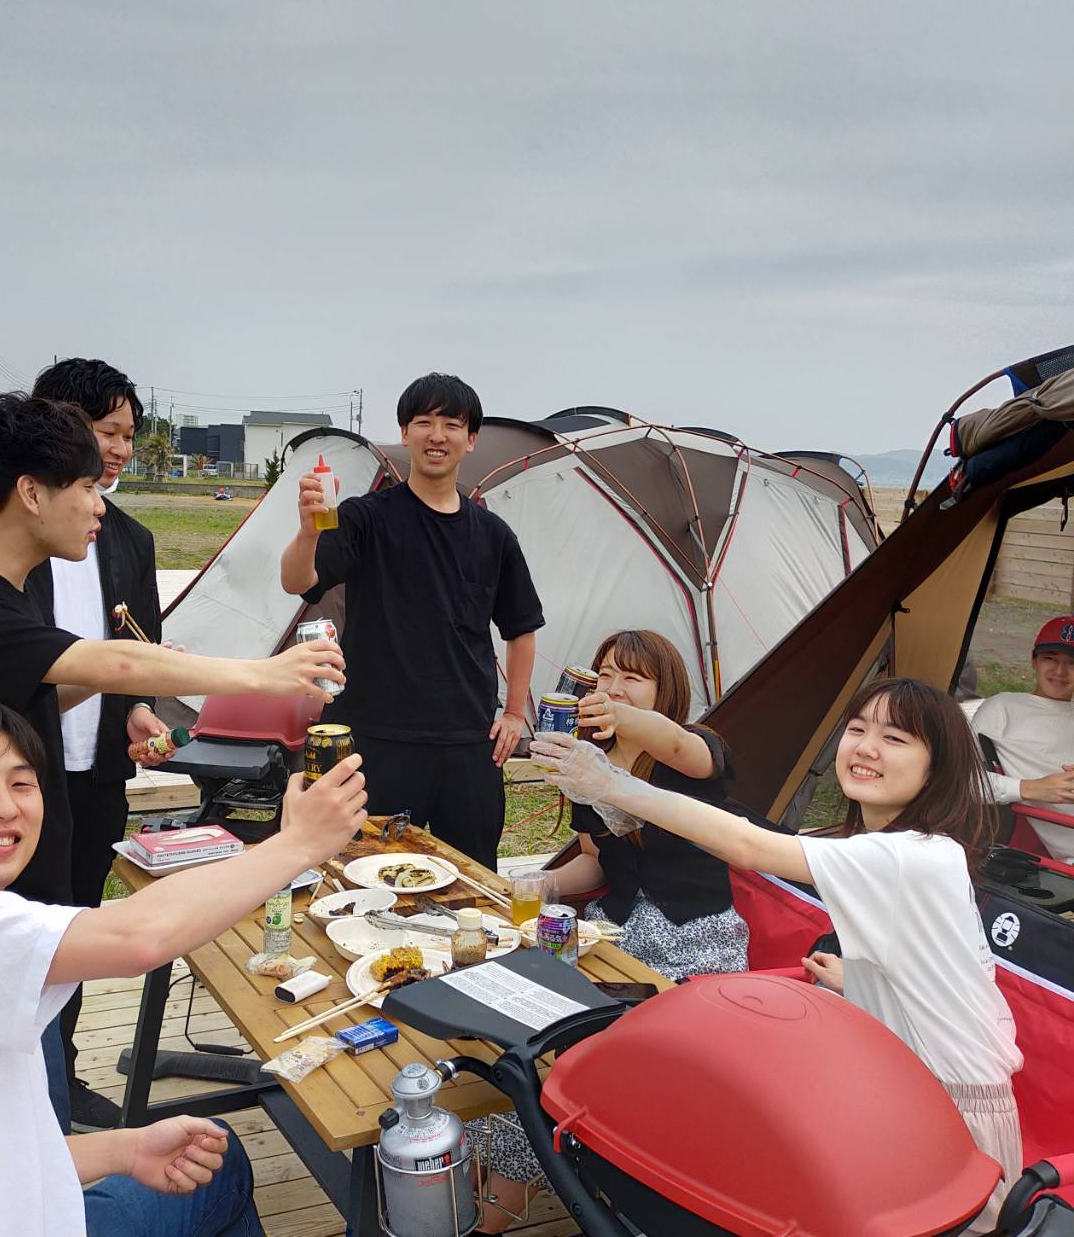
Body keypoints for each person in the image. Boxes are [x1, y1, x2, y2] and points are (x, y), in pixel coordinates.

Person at [0, 392, 342, 1125]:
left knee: (34, 1094)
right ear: (32, 494)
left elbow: (42, 693)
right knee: (16, 1121)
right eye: (85, 486)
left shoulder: (1, 597)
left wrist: (115, 683)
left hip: (18, 903)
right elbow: (118, 664)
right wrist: (266, 674)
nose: (98, 505)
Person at [0, 691, 368, 1236]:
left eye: (22, 783)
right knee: (223, 1171)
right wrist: (298, 844)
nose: (5, 806)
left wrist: (127, 1148)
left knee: (210, 1160)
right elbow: (138, 937)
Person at [533, 678, 1023, 1235]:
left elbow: (746, 845)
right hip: (902, 1094)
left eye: (894, 738)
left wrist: (613, 784)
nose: (866, 747)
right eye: (857, 728)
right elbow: (941, 969)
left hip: (947, 1115)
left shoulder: (910, 857)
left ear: (936, 769)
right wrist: (860, 980)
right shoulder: (917, 850)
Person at [0, 357, 171, 1129]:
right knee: (3, 943)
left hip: (91, 777)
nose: (120, 450)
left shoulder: (128, 537)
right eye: (106, 431)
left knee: (72, 930)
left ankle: (57, 1079)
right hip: (9, 779)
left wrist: (138, 712)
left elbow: (135, 653)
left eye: (128, 435)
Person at [470, 629, 749, 1232]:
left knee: (563, 1068)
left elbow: (677, 742)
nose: (614, 689)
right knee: (512, 1024)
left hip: (697, 945)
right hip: (615, 934)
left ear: (665, 689)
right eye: (604, 676)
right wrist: (538, 884)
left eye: (632, 678)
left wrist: (617, 719)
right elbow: (597, 862)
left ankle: (494, 1209)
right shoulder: (585, 760)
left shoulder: (693, 752)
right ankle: (474, 1169)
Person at [279, 373, 544, 870]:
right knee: (363, 874)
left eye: (451, 424)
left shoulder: (493, 536)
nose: (436, 436)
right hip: (376, 739)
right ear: (404, 433)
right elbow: (298, 580)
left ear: (471, 438)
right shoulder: (365, 518)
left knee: (472, 879)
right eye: (423, 422)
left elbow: (521, 628)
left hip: (466, 745)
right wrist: (308, 532)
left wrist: (513, 714)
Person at [970, 614, 1074, 863]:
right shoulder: (1003, 707)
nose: (1060, 671)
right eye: (1050, 658)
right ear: (1033, 660)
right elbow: (960, 781)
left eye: (1072, 662)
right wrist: (1031, 788)